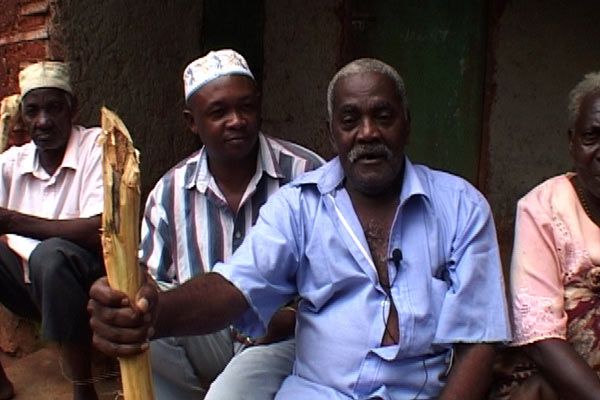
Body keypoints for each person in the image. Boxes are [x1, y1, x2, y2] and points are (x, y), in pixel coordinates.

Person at [89, 58, 510, 399]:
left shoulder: (461, 207)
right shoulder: (299, 205)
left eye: (383, 116)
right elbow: (235, 287)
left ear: (407, 123)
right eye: (350, 120)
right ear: (332, 133)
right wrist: (151, 314)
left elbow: (479, 340)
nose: (368, 133)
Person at [138, 49, 323, 399]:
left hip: (281, 337)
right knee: (143, 312)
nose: (237, 120)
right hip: (206, 334)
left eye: (247, 107)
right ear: (191, 122)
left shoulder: (306, 175)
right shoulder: (169, 192)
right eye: (218, 112)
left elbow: (343, 287)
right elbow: (151, 280)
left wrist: (291, 317)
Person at [489, 72, 600, 400]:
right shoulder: (543, 208)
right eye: (592, 136)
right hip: (562, 380)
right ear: (571, 142)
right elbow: (540, 337)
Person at [0, 61, 104, 400]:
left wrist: (13, 221)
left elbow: (99, 229)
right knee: (43, 258)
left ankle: (82, 388)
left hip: (86, 281)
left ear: (73, 109)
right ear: (23, 117)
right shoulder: (13, 162)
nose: (43, 121)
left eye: (54, 108)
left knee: (52, 256)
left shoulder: (96, 147)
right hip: (29, 283)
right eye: (33, 111)